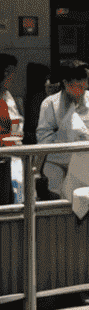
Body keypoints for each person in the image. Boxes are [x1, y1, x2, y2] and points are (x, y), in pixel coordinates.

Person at [37, 59, 89, 221]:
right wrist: (66, 136)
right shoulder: (49, 104)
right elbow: (43, 138)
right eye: (78, 86)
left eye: (85, 84)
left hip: (88, 161)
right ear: (65, 83)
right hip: (58, 161)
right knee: (59, 204)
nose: (84, 89)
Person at [1, 53, 21, 206]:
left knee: (12, 199)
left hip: (10, 155)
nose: (12, 76)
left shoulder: (7, 95)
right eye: (9, 72)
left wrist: (15, 142)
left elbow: (15, 123)